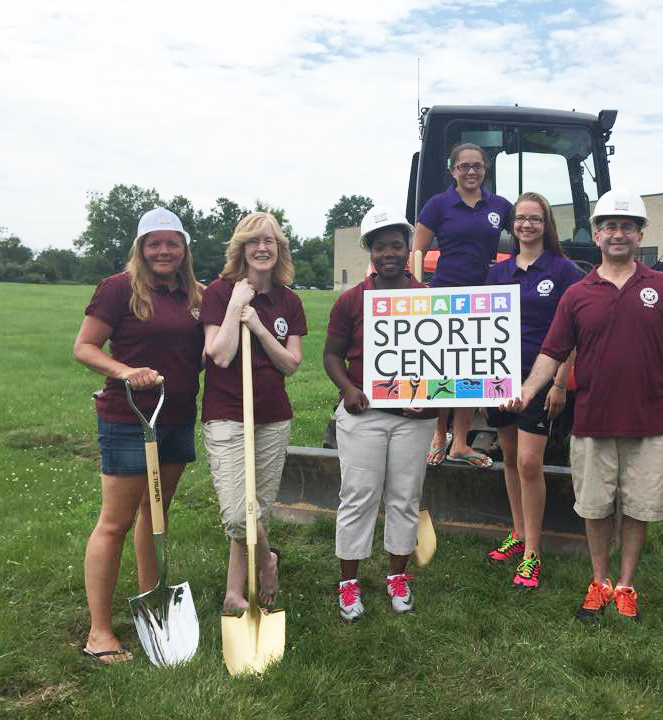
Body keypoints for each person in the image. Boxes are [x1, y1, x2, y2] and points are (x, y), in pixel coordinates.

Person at [504, 188, 663, 621]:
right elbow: (552, 352)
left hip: (649, 420)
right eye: (609, 227)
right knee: (595, 506)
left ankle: (626, 585)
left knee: (639, 508)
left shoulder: (661, 287)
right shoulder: (578, 293)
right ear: (598, 235)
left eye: (627, 227)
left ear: (639, 236)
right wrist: (529, 389)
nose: (617, 234)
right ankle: (599, 580)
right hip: (593, 421)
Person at [73, 207, 203, 663]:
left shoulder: (194, 294)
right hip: (130, 418)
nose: (163, 251)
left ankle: (156, 607)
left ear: (184, 247)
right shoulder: (118, 289)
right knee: (116, 522)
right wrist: (126, 371)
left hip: (177, 416)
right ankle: (100, 633)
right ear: (141, 248)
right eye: (154, 243)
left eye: (172, 242)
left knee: (157, 515)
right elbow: (84, 347)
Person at [324, 205, 438, 622]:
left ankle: (396, 576)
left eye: (396, 245)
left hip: (414, 418)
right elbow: (332, 355)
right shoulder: (353, 299)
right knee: (358, 497)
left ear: (409, 248)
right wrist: (349, 388)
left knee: (405, 498)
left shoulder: (429, 299)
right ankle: (348, 581)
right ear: (369, 251)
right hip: (365, 413)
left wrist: (432, 399)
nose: (388, 252)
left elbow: (444, 360)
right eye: (380, 246)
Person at [200, 211, 305, 613]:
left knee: (255, 505)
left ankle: (233, 592)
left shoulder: (288, 301)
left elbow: (291, 363)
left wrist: (259, 326)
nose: (263, 248)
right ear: (241, 249)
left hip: (272, 416)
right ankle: (267, 562)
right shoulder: (218, 293)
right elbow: (221, 355)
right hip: (226, 413)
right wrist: (235, 306)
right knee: (238, 511)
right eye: (254, 241)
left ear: (280, 251)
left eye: (271, 242)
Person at [484, 192, 583, 589]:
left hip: (540, 380)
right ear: (512, 225)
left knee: (529, 462)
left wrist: (560, 382)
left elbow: (575, 332)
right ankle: (518, 532)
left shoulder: (563, 272)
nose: (527, 225)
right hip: (499, 380)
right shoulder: (497, 274)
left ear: (546, 225)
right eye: (520, 218)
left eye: (535, 219)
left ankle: (532, 552)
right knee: (508, 456)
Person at [413, 143, 513, 468]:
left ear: (485, 170)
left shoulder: (499, 205)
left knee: (472, 370)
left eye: (477, 166)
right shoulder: (438, 204)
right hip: (444, 295)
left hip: (484, 298)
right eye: (464, 166)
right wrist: (416, 292)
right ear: (452, 169)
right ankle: (439, 435)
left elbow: (527, 237)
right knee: (444, 367)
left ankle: (461, 442)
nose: (471, 172)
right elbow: (417, 249)